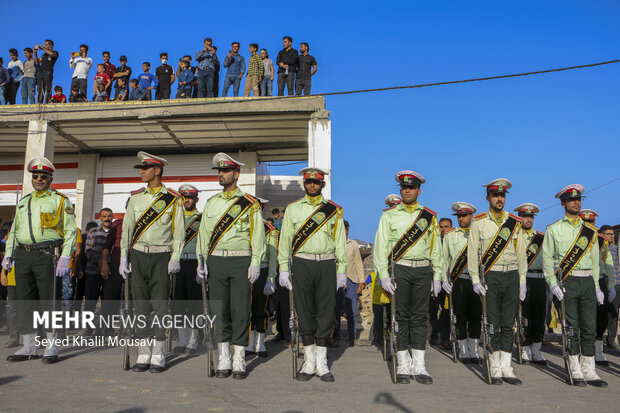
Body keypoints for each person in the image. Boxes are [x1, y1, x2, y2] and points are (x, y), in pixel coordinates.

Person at [195, 153, 265, 379]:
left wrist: (255, 262)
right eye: (219, 171)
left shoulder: (250, 204)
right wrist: (201, 261)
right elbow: (204, 235)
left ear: (236, 174)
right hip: (216, 260)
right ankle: (224, 356)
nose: (221, 175)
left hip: (240, 260)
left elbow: (257, 236)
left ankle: (239, 358)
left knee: (240, 310)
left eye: (225, 171)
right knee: (220, 310)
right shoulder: (211, 203)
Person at [2, 157, 77, 363]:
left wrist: (65, 256)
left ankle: (52, 345)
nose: (39, 179)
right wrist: (9, 253)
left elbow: (70, 232)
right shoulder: (24, 201)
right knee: (25, 301)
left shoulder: (60, 200)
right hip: (23, 254)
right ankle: (29, 346)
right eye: (35, 176)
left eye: (43, 176)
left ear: (50, 178)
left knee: (49, 301)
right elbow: (15, 231)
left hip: (47, 254)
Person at [373, 170, 443, 385]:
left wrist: (438, 276)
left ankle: (419, 365)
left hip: (423, 270)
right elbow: (380, 247)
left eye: (411, 187)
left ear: (418, 191)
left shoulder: (429, 217)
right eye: (404, 187)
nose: (407, 190)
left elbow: (436, 249)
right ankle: (403, 363)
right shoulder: (389, 215)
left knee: (420, 318)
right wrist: (383, 275)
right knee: (401, 317)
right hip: (400, 270)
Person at [278, 167, 346, 382]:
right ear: (304, 184)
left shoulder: (334, 210)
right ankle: (308, 362)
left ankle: (322, 362)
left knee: (326, 312)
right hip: (302, 263)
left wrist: (342, 269)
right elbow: (285, 239)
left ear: (323, 185)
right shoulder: (293, 209)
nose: (312, 186)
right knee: (304, 311)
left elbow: (340, 241)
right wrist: (283, 267)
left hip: (326, 263)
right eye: (308, 183)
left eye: (316, 183)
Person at [119, 152, 184, 373]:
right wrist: (123, 257)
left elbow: (179, 234)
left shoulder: (173, 199)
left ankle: (158, 354)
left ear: (157, 170)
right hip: (138, 256)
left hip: (161, 256)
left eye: (145, 168)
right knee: (140, 307)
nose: (141, 171)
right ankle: (143, 353)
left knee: (160, 306)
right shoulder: (136, 198)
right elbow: (127, 230)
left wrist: (175, 258)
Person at [542, 184, 607, 387]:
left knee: (589, 326)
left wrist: (596, 286)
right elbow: (547, 260)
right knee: (571, 327)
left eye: (578, 200)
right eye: (571, 200)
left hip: (587, 280)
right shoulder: (553, 229)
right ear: (563, 204)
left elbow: (595, 261)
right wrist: (553, 284)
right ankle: (575, 368)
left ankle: (589, 370)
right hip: (567, 281)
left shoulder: (590, 231)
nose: (576, 203)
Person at [468, 178, 527, 385]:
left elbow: (521, 253)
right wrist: (475, 279)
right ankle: (494, 366)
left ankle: (506, 367)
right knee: (492, 322)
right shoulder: (479, 221)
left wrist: (522, 280)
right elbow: (472, 252)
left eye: (502, 195)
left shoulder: (514, 223)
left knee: (508, 323)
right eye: (496, 195)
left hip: (511, 274)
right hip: (490, 276)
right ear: (488, 198)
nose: (500, 199)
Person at [441, 202, 481, 364]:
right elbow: (445, 260)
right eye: (459, 216)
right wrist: (444, 279)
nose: (461, 219)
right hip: (458, 280)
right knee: (460, 316)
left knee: (476, 316)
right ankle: (463, 349)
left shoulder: (479, 233)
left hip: (476, 281)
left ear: (472, 216)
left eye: (464, 215)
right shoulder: (450, 236)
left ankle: (474, 350)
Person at [513, 203, 548, 365]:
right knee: (524, 316)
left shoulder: (541, 237)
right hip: (523, 278)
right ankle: (525, 349)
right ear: (520, 217)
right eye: (525, 216)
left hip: (540, 279)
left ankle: (536, 350)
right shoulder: (515, 235)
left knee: (539, 316)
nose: (528, 219)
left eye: (531, 217)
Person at [246, 198, 279, 357]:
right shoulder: (245, 226)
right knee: (247, 308)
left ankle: (260, 342)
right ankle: (250, 343)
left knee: (261, 308)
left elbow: (273, 257)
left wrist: (270, 279)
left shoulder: (269, 230)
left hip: (263, 270)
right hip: (246, 271)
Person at [171, 185, 202, 354]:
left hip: (194, 264)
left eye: (190, 197)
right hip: (177, 264)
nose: (187, 200)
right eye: (184, 197)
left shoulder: (202, 218)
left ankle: (193, 340)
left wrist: (202, 266)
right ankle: (182, 340)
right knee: (178, 304)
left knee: (194, 304)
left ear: (196, 199)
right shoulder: (176, 217)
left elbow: (205, 243)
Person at [333, 220, 366, 346]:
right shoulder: (333, 244)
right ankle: (335, 338)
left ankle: (352, 338)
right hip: (338, 280)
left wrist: (361, 281)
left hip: (352, 280)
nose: (345, 231)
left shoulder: (353, 244)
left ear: (347, 230)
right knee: (336, 311)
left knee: (352, 311)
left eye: (346, 229)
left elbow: (358, 263)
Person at [82, 208, 113, 335]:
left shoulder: (115, 232)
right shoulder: (93, 232)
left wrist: (107, 264)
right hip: (93, 271)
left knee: (108, 302)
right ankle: (88, 328)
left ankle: (105, 328)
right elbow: (88, 250)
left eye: (109, 216)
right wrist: (100, 262)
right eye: (104, 216)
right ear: (100, 218)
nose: (107, 218)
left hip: (109, 272)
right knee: (90, 301)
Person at [99, 203, 125, 336]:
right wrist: (104, 263)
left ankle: (132, 328)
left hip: (135, 265)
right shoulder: (118, 223)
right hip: (115, 263)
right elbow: (107, 244)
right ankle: (105, 328)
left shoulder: (143, 224)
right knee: (109, 297)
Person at [430, 217, 452, 348]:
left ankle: (445, 338)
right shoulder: (435, 241)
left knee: (446, 311)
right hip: (434, 279)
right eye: (441, 227)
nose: (443, 229)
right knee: (431, 310)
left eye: (446, 226)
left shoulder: (453, 241)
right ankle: (434, 336)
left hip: (448, 281)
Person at [601, 225, 619, 348]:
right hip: (604, 283)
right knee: (604, 313)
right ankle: (600, 337)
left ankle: (611, 339)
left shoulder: (616, 248)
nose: (611, 236)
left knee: (614, 313)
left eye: (612, 234)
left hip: (617, 283)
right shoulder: (600, 248)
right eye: (608, 234)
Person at [33, 40, 59, 104]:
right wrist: (35, 53)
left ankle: (47, 102)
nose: (45, 46)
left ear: (51, 45)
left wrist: (42, 48)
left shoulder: (55, 52)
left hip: (48, 72)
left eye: (46, 45)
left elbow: (52, 54)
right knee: (40, 88)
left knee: (48, 88)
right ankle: (39, 103)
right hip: (41, 72)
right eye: (44, 45)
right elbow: (37, 62)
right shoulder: (44, 54)